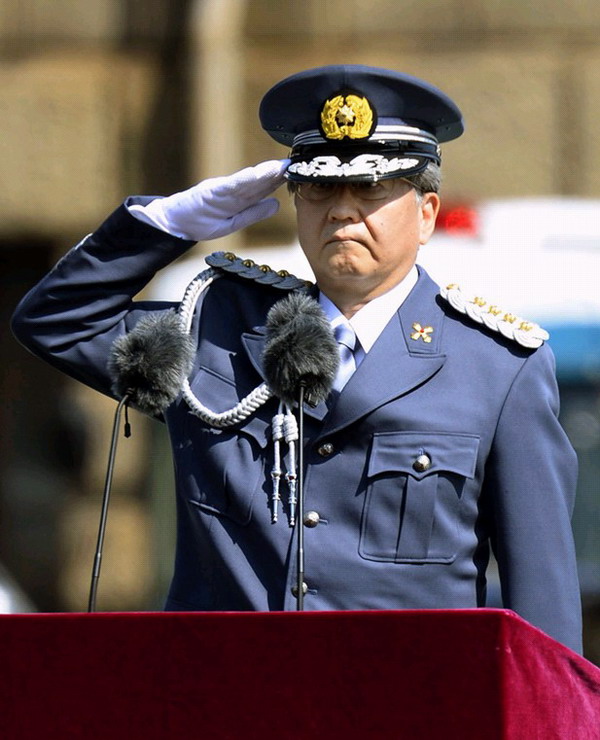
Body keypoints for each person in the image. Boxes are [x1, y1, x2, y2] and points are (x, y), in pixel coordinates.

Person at [11, 65, 582, 653]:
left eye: (371, 190)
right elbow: (56, 320)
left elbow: (542, 605)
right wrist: (162, 227)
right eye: (319, 189)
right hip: (227, 704)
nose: (341, 212)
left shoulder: (496, 366)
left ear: (427, 213)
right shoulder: (215, 329)